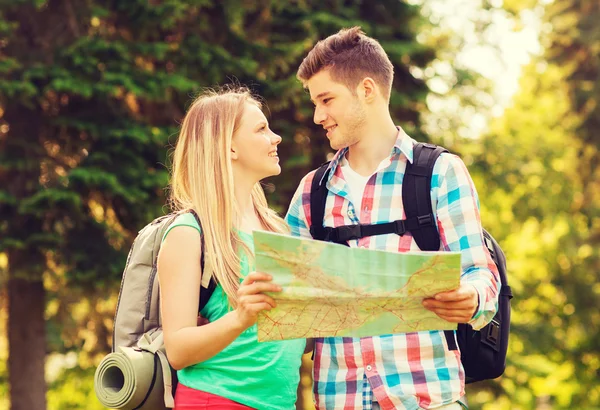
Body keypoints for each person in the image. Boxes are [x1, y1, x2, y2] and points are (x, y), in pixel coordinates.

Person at [285, 27, 501, 410]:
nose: (318, 115)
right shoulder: (311, 192)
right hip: (339, 399)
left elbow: (480, 274)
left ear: (366, 91)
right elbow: (290, 303)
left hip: (428, 398)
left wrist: (470, 299)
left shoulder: (439, 173)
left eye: (326, 99)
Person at [158, 87, 306, 410]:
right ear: (230, 148)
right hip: (217, 400)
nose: (276, 137)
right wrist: (240, 317)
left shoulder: (276, 228)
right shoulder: (189, 233)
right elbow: (178, 348)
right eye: (261, 129)